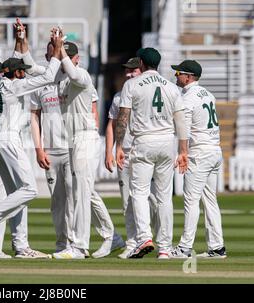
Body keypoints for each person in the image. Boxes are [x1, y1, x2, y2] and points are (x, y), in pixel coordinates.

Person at [25, 39, 124, 259]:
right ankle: (107, 238)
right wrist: (22, 41)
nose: (60, 60)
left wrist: (62, 52)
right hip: (73, 140)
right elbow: (31, 67)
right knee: (83, 192)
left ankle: (79, 247)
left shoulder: (83, 75)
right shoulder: (57, 78)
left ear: (74, 58)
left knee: (81, 193)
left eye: (63, 56)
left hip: (85, 137)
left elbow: (73, 72)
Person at [0, 32, 64, 257]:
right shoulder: (15, 87)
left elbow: (12, 63)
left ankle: (21, 245)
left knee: (16, 193)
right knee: (30, 190)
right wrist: (57, 50)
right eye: (22, 72)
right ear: (18, 74)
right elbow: (50, 76)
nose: (26, 74)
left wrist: (20, 39)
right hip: (8, 139)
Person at [115, 47, 188, 259]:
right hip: (167, 142)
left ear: (141, 64)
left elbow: (123, 117)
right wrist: (183, 151)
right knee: (164, 197)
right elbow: (181, 121)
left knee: (138, 192)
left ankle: (144, 237)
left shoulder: (132, 84)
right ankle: (165, 248)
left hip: (144, 141)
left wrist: (119, 146)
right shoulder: (171, 87)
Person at [168, 60, 226, 259]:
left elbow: (183, 129)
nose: (176, 76)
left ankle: (184, 247)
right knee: (210, 200)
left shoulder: (186, 98)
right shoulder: (208, 94)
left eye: (178, 74)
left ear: (188, 76)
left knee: (191, 200)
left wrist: (183, 153)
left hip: (199, 153)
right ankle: (217, 247)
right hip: (214, 151)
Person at [105, 57, 159, 259]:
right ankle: (132, 242)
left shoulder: (150, 93)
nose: (129, 74)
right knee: (128, 200)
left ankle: (159, 242)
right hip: (124, 153)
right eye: (127, 71)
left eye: (133, 71)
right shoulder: (120, 96)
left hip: (145, 150)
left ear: (142, 70)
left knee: (153, 200)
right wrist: (108, 151)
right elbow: (111, 125)